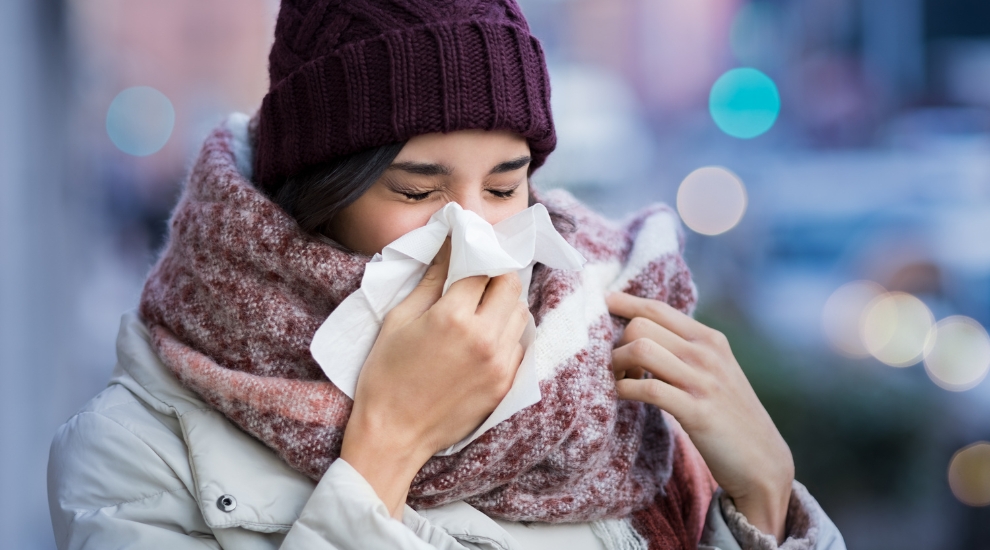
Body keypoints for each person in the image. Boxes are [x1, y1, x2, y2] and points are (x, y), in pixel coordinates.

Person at [47, 1, 846, 549]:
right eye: (419, 190)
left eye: (505, 187)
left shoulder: (613, 357)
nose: (475, 232)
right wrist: (384, 452)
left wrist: (765, 506)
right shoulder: (138, 450)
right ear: (316, 192)